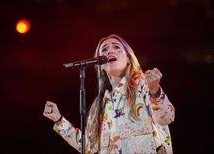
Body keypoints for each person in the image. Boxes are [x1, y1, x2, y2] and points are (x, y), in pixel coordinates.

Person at [43, 34, 175, 154]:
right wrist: (59, 120)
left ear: (128, 58)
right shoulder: (100, 105)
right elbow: (89, 148)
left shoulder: (143, 84)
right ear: (101, 66)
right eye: (104, 50)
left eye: (116, 47)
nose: (110, 51)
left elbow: (167, 118)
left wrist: (154, 91)